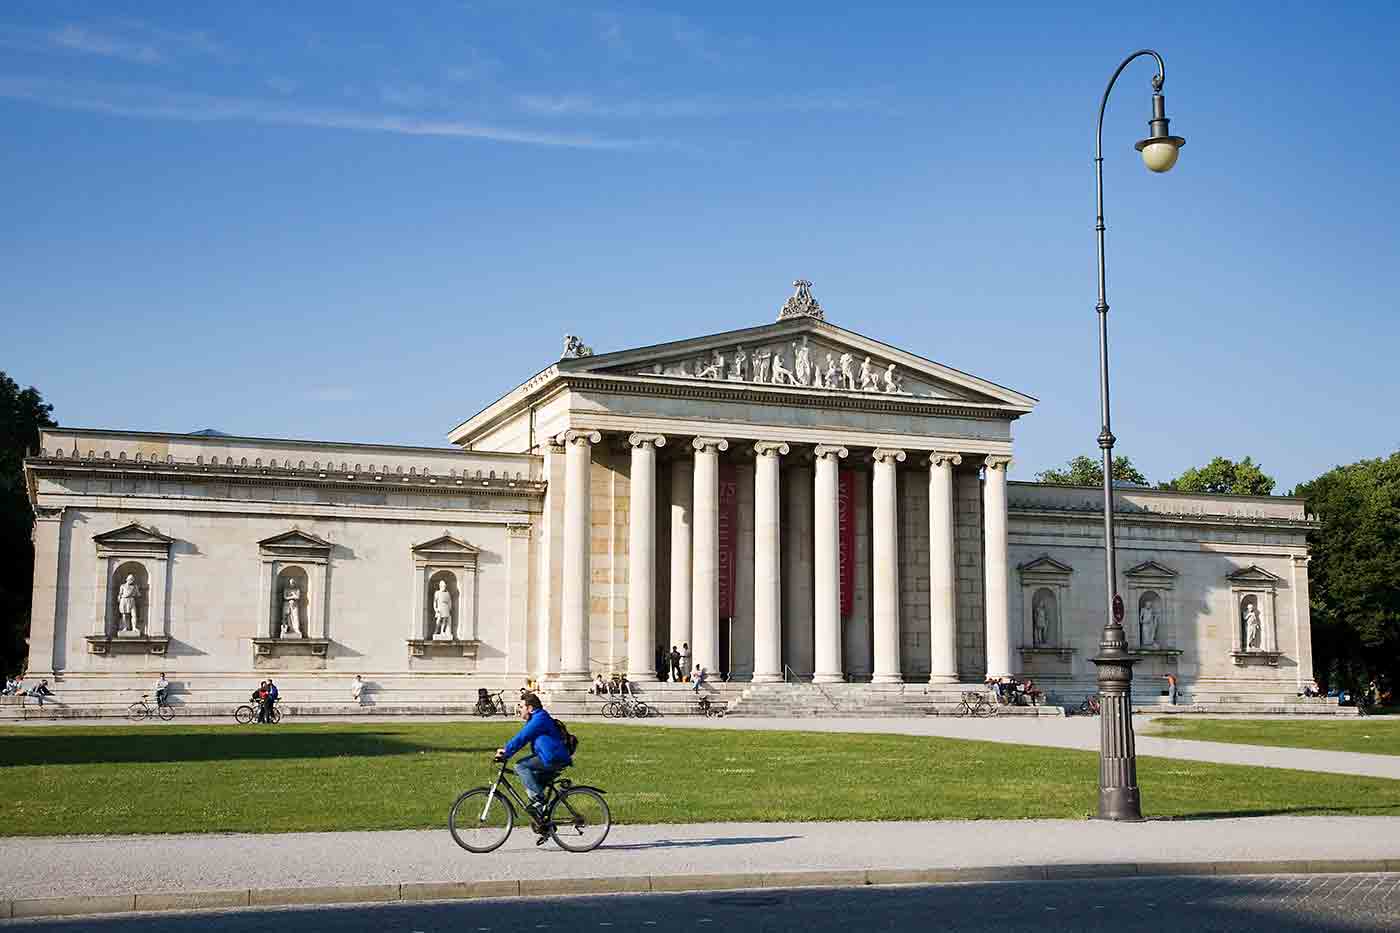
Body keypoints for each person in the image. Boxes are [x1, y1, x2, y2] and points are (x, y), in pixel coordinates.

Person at [496, 692, 573, 843]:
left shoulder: (540, 718)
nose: (519, 709)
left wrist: (506, 751)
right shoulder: (537, 717)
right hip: (549, 757)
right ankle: (546, 827)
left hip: (553, 758)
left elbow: (522, 737)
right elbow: (523, 736)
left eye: (521, 706)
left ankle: (540, 800)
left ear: (530, 708)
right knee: (531, 785)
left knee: (521, 766)